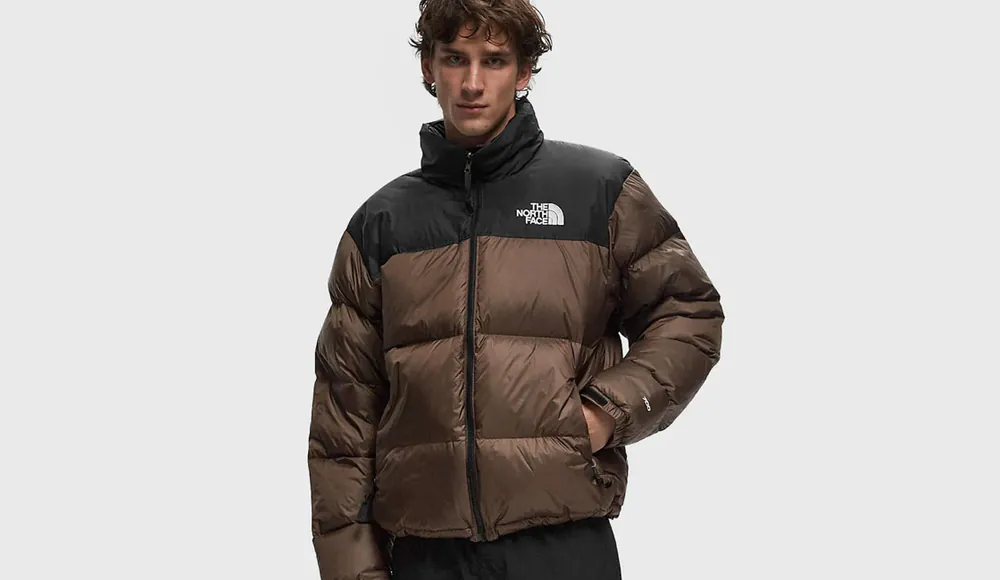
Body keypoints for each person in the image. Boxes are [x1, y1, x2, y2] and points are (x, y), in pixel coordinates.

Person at [306, 1, 724, 578]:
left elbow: (688, 313)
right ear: (429, 67)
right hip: (427, 554)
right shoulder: (382, 225)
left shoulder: (597, 191)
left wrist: (604, 414)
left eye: (494, 61)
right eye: (455, 59)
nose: (472, 84)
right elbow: (343, 424)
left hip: (561, 542)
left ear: (524, 71)